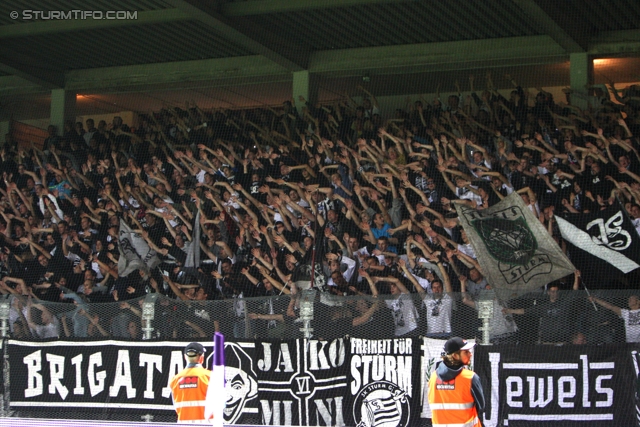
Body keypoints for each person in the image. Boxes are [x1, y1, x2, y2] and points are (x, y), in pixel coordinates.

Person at [427, 337, 484, 427]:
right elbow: (481, 406)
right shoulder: (470, 377)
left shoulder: (433, 377)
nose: (470, 354)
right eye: (466, 352)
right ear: (455, 356)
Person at [170, 342, 211, 424]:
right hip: (207, 424)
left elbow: (175, 405)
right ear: (201, 358)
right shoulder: (210, 376)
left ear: (185, 357)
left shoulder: (175, 379)